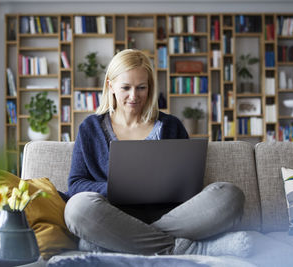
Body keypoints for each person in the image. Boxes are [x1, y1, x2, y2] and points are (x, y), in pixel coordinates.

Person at [64, 49, 251, 257]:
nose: (134, 96)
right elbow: (76, 184)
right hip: (113, 217)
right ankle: (186, 248)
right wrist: (118, 189)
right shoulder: (90, 128)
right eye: (126, 87)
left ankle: (122, 242)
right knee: (77, 209)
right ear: (111, 86)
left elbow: (188, 186)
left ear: (150, 87)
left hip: (173, 218)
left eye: (141, 88)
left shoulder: (171, 126)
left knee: (230, 195)